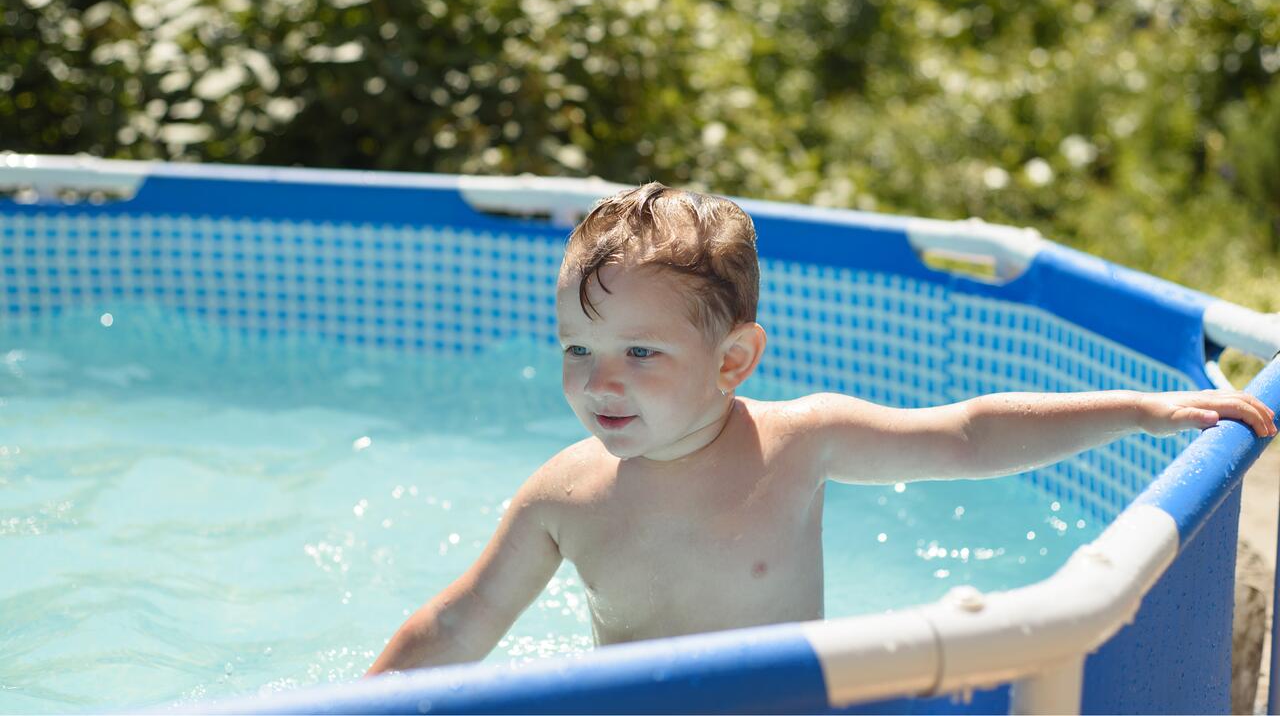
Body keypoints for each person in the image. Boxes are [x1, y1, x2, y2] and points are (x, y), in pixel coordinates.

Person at [365, 183, 1276, 676]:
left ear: (733, 361)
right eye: (577, 347)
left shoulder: (797, 445)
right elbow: (460, 622)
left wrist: (1141, 411)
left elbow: (967, 436)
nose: (598, 380)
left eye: (641, 354)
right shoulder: (565, 496)